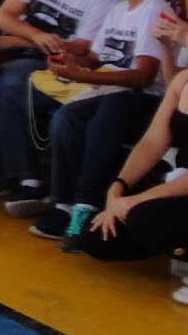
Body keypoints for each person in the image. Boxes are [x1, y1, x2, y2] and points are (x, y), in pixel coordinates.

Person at [9, 0, 171, 236]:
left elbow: (143, 77)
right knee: (66, 118)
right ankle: (63, 203)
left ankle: (87, 202)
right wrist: (69, 60)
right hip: (111, 93)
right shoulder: (120, 8)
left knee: (104, 113)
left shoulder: (152, 10)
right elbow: (97, 58)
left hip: (142, 99)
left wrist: (82, 76)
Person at [0, 0, 118, 200]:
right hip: (25, 47)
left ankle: (26, 177)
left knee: (12, 84)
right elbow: (4, 16)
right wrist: (35, 36)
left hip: (57, 61)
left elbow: (82, 46)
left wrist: (20, 39)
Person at [64, 68, 188, 290]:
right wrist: (117, 189)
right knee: (98, 238)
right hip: (178, 186)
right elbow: (152, 141)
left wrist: (135, 201)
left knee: (142, 216)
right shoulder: (183, 80)